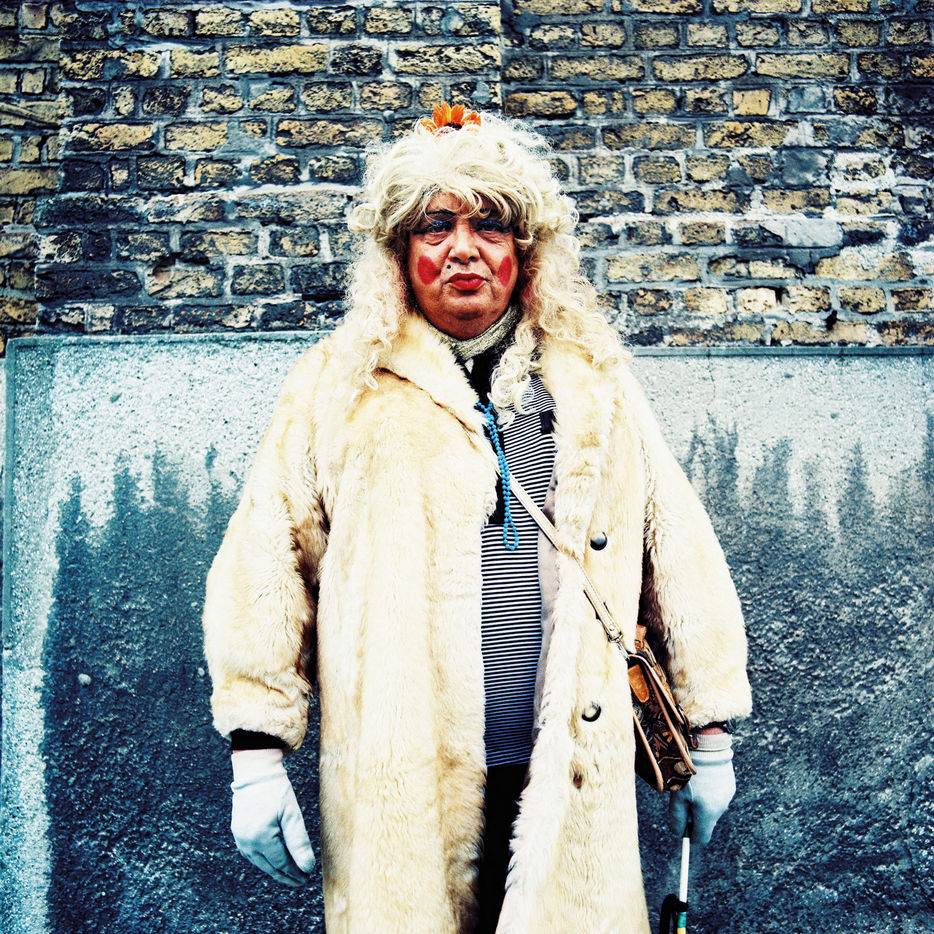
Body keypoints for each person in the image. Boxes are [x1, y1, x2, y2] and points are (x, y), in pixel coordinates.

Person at [203, 103, 752, 934]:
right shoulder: (338, 386)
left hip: (570, 781)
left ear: (525, 251)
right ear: (400, 252)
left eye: (489, 225)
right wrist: (255, 758)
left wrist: (709, 741)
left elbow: (677, 553)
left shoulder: (593, 382)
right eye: (436, 226)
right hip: (401, 788)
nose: (464, 248)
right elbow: (263, 564)